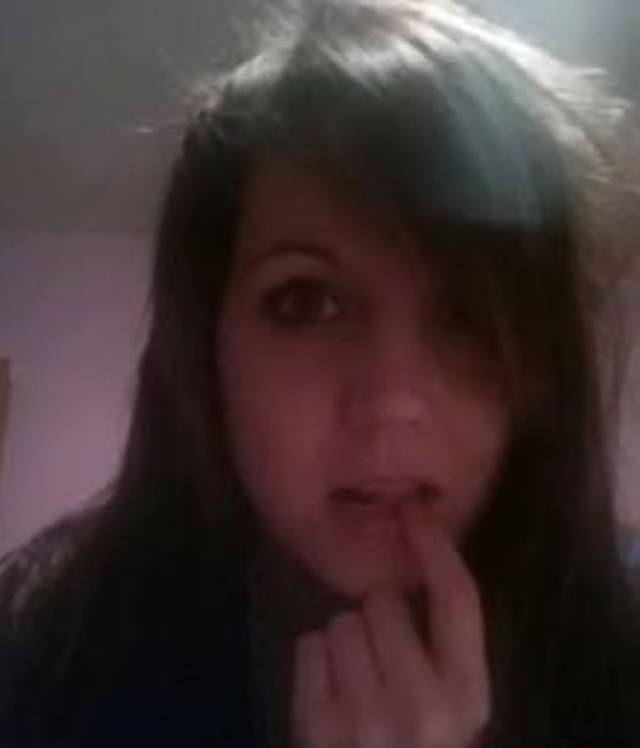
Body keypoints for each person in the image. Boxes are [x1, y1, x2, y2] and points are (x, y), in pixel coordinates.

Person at [0, 1, 638, 746]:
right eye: (306, 302)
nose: (392, 400)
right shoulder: (46, 647)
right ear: (204, 345)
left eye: (469, 316)